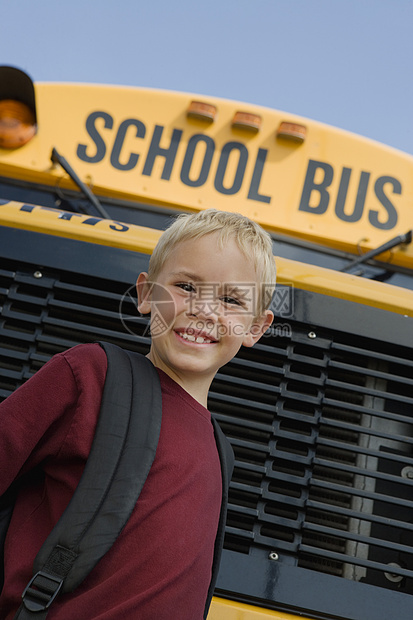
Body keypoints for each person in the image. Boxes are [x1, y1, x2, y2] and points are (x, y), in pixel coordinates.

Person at [0, 208, 276, 619]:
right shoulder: (90, 376)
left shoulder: (221, 454)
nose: (204, 310)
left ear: (256, 328)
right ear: (145, 295)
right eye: (185, 286)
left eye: (231, 299)